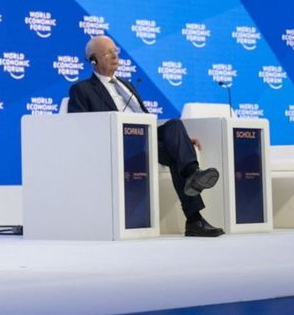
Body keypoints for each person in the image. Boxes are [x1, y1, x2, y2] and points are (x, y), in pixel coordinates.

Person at [67, 35, 224, 237]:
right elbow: (78, 127)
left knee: (175, 126)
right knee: (176, 156)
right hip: (119, 141)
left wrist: (181, 141)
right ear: (93, 60)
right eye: (107, 53)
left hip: (145, 137)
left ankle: (193, 173)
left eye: (116, 51)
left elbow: (146, 119)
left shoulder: (128, 86)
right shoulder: (82, 90)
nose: (115, 56)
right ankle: (194, 220)